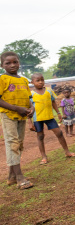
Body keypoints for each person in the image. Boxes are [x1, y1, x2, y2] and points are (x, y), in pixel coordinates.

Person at [0, 51, 34, 189]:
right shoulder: (2, 79)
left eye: (15, 62)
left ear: (19, 62)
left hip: (22, 116)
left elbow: (29, 98)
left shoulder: (24, 80)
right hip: (8, 115)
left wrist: (32, 108)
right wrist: (15, 108)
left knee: (19, 144)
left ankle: (11, 176)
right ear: (2, 65)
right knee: (12, 143)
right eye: (8, 63)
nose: (12, 65)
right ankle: (20, 177)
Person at [31, 73, 75, 164]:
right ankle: (44, 157)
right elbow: (29, 108)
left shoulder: (48, 90)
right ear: (32, 82)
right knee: (40, 136)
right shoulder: (31, 94)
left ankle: (67, 152)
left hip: (49, 117)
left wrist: (59, 113)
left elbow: (53, 102)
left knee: (59, 133)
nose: (41, 82)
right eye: (38, 80)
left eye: (42, 80)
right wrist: (30, 122)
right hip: (37, 119)